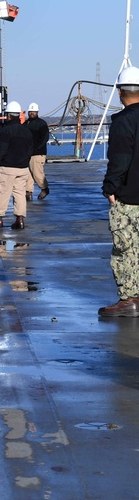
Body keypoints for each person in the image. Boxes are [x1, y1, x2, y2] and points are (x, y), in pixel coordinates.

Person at [98, 66, 139, 317]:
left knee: (125, 249)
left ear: (120, 91)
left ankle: (130, 299)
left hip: (129, 198)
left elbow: (120, 159)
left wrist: (110, 188)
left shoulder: (123, 121)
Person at [0, 101, 32, 230]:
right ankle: (20, 219)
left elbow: (2, 149)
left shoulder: (6, 131)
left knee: (2, 192)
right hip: (23, 168)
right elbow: (30, 149)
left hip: (7, 167)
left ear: (8, 116)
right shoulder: (27, 131)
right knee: (20, 193)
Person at [25, 102, 49, 200]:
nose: (32, 113)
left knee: (37, 173)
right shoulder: (26, 124)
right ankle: (28, 192)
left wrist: (37, 148)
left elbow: (45, 138)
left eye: (34, 111)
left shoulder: (41, 124)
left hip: (37, 154)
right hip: (27, 153)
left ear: (37, 112)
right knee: (28, 174)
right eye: (30, 111)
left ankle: (44, 188)